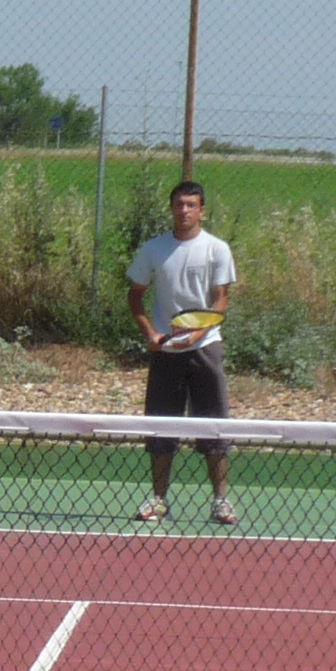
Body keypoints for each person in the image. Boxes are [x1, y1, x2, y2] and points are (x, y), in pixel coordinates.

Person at [126, 179, 239, 524]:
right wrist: (152, 334)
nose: (184, 210)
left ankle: (221, 502)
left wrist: (198, 333)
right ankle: (159, 500)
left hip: (206, 347)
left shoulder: (217, 249)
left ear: (202, 210)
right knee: (161, 428)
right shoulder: (154, 249)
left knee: (214, 427)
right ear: (172, 208)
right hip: (166, 352)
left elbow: (221, 299)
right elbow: (135, 295)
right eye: (179, 204)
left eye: (191, 205)